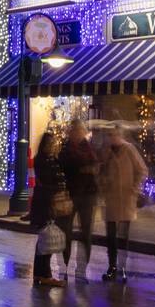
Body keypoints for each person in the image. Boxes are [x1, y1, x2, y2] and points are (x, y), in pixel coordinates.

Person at [98, 124, 149, 283]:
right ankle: (112, 267)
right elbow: (100, 172)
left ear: (120, 135)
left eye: (114, 134)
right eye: (110, 135)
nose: (111, 138)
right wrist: (103, 184)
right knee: (111, 237)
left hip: (126, 199)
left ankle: (122, 268)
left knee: (122, 237)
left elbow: (142, 170)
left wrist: (134, 188)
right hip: (111, 199)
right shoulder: (106, 152)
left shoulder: (129, 150)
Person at [58, 119, 100, 282]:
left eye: (81, 131)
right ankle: (65, 266)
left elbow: (95, 167)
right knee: (65, 232)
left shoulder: (89, 148)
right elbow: (66, 165)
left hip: (88, 195)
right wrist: (84, 168)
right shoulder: (66, 149)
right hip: (70, 195)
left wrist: (88, 169)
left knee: (86, 234)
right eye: (76, 131)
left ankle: (81, 268)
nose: (79, 134)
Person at [30, 132, 73, 288]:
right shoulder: (41, 160)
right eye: (50, 144)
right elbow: (46, 181)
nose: (52, 146)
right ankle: (44, 274)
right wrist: (57, 189)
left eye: (53, 143)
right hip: (45, 203)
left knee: (45, 239)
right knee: (45, 239)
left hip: (52, 203)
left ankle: (40, 274)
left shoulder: (54, 159)